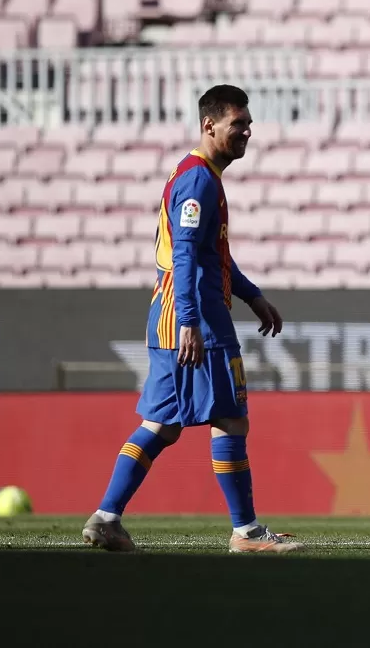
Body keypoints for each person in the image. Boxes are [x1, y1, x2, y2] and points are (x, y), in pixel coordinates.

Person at [82, 85, 303, 554]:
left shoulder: (197, 176)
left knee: (162, 425)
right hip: (196, 316)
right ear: (209, 125)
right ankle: (246, 531)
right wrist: (190, 321)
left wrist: (252, 296)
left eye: (248, 124)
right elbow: (184, 252)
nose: (246, 132)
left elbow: (209, 255)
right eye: (237, 124)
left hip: (173, 315)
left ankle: (106, 518)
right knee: (231, 417)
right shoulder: (199, 179)